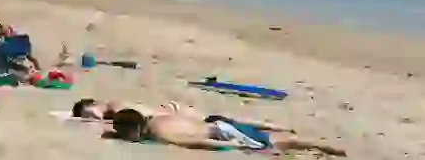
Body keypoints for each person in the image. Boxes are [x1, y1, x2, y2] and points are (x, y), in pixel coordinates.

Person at [108, 108, 346, 155]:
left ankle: (323, 146)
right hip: (218, 122)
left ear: (134, 130)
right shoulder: (158, 117)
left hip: (222, 132)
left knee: (279, 144)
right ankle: (319, 144)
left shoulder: (160, 132)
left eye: (123, 134)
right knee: (276, 136)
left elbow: (196, 142)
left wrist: (235, 146)